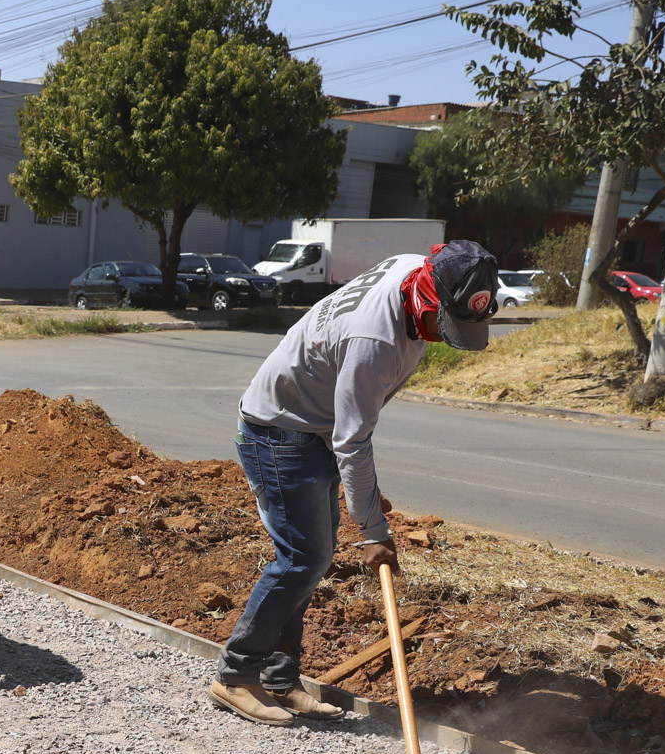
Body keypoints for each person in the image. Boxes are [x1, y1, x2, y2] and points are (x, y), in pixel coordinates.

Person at [208, 240, 500, 726]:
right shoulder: (375, 343)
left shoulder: (416, 268)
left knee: (312, 556)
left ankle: (280, 678)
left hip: (310, 425)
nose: (441, 339)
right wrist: (373, 531)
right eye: (443, 326)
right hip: (280, 429)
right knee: (304, 557)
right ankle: (236, 675)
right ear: (427, 300)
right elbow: (353, 442)